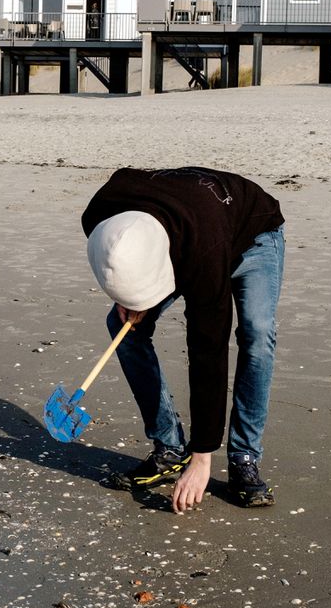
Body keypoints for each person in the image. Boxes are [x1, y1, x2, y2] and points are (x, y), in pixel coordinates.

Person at [81, 167, 285, 512]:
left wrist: (202, 458)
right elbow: (116, 256)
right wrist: (130, 296)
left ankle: (243, 456)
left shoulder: (205, 250)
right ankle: (169, 448)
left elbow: (209, 352)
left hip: (254, 236)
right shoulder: (101, 211)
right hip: (182, 228)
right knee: (123, 327)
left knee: (257, 334)